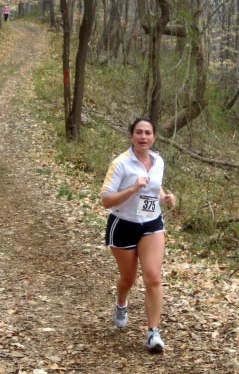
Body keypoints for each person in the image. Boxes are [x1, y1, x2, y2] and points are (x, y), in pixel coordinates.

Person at [100, 117, 176, 354]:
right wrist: (133, 188)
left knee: (153, 278)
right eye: (139, 132)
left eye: (148, 133)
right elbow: (105, 200)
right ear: (132, 135)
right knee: (128, 279)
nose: (144, 137)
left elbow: (155, 188)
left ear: (154, 137)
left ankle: (153, 332)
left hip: (151, 223)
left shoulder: (158, 161)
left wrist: (165, 198)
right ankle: (121, 303)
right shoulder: (121, 163)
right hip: (123, 224)